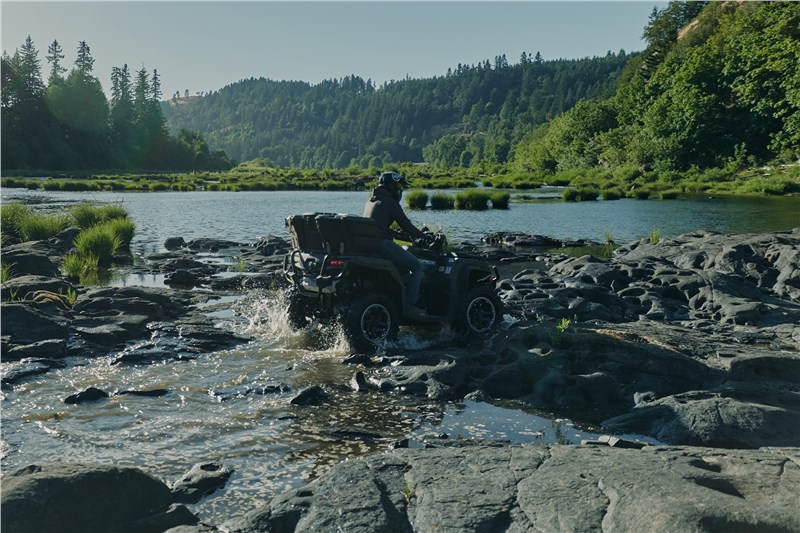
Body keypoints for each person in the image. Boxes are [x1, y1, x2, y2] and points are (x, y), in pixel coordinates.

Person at [364, 171, 428, 315]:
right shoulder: (390, 202)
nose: (399, 189)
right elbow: (407, 225)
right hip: (383, 245)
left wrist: (396, 234)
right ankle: (411, 306)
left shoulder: (371, 200)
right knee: (417, 267)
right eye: (398, 185)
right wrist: (425, 236)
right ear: (392, 186)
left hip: (371, 244)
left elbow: (378, 226)